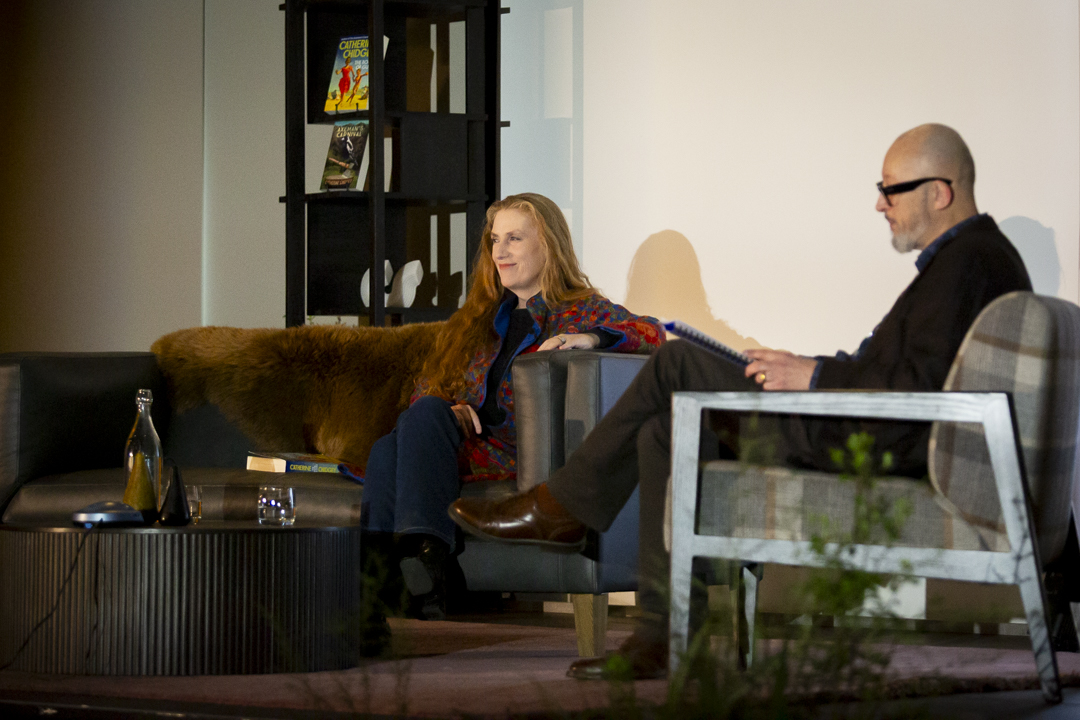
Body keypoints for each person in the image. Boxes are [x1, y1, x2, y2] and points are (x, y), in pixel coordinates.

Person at [448, 124, 1033, 678]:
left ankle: (564, 507)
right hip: (862, 420)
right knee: (663, 432)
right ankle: (666, 638)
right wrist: (810, 368)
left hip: (870, 437)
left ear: (940, 192)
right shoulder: (969, 261)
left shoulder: (970, 262)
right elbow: (904, 370)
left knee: (676, 361)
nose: (881, 204)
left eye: (891, 190)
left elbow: (915, 386)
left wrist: (815, 379)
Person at [359, 193, 664, 650]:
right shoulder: (475, 320)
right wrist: (449, 406)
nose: (500, 251)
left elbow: (652, 333)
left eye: (515, 238)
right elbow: (427, 386)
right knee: (404, 429)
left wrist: (590, 337)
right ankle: (422, 561)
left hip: (518, 451)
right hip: (460, 446)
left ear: (549, 245)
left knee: (396, 442)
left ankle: (380, 595)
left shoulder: (582, 308)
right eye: (495, 239)